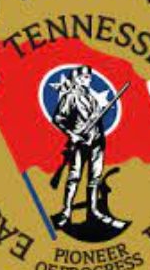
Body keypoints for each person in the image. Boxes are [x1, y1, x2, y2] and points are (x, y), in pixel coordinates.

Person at [49, 65, 127, 231]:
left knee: (95, 178)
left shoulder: (92, 97)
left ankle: (93, 211)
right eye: (84, 77)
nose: (88, 79)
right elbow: (58, 118)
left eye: (89, 76)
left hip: (97, 141)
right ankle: (66, 212)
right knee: (74, 177)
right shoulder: (70, 97)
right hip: (80, 142)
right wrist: (72, 135)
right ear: (76, 79)